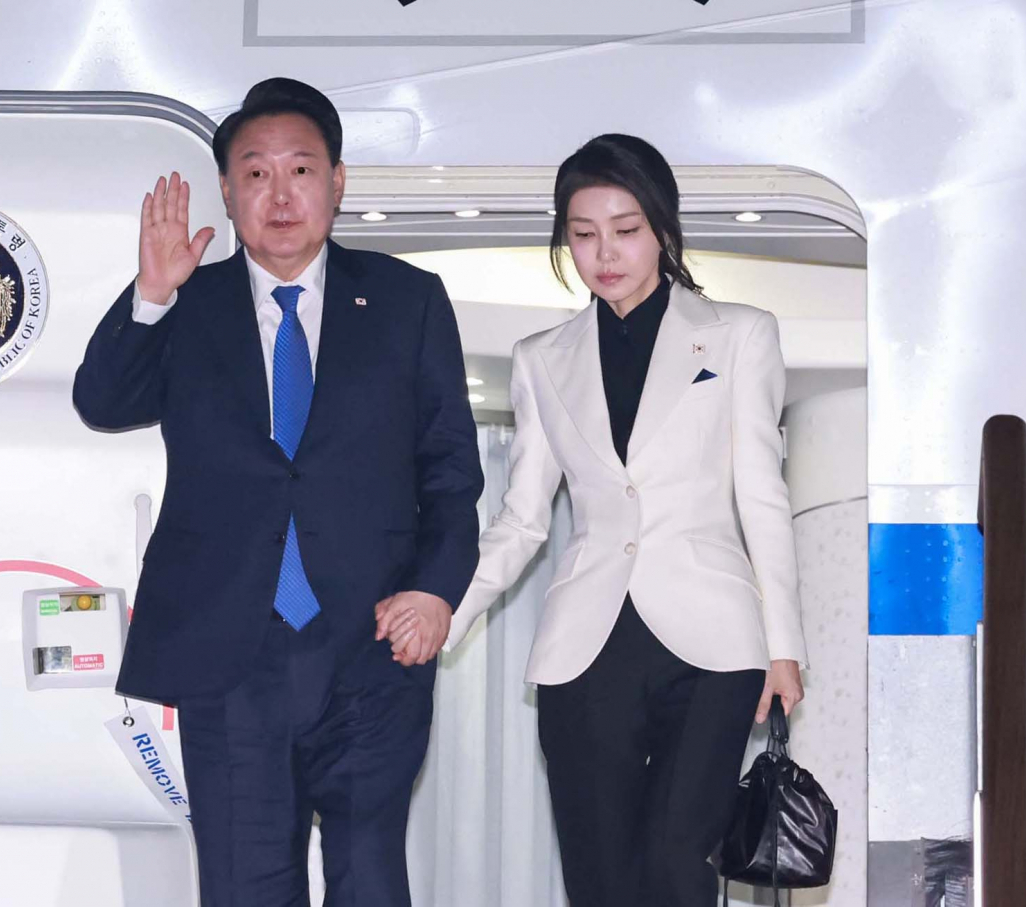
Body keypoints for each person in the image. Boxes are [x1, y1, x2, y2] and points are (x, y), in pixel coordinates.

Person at [73, 77, 483, 907]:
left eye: (300, 169)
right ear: (227, 193)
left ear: (337, 181)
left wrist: (438, 590)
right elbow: (103, 401)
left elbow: (450, 472)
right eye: (255, 174)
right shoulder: (189, 304)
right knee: (242, 886)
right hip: (231, 653)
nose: (280, 192)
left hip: (371, 646)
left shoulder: (408, 301)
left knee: (371, 879)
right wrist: (152, 292)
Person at [401, 133, 809, 906]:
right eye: (583, 234)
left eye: (625, 229)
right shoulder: (540, 357)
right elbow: (522, 520)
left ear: (662, 226)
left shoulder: (740, 333)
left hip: (716, 644)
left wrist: (783, 645)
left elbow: (764, 496)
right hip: (586, 648)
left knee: (675, 864)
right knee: (600, 879)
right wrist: (445, 617)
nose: (604, 252)